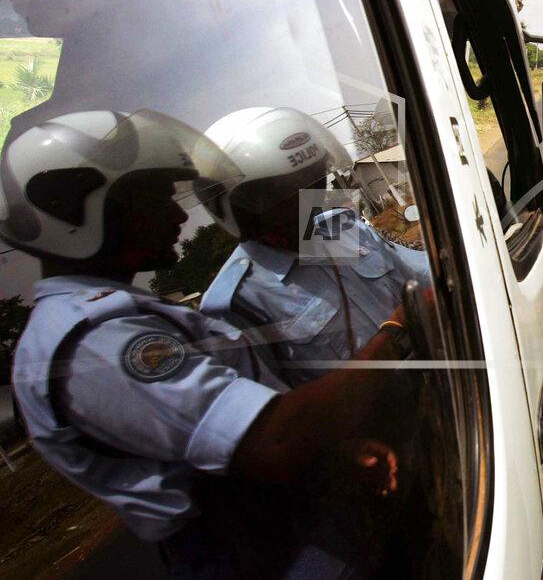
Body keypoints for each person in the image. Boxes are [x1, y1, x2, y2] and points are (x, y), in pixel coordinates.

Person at [5, 109, 413, 578]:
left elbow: (236, 426)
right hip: (252, 548)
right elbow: (276, 440)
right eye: (156, 199)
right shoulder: (98, 342)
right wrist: (397, 329)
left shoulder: (328, 229)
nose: (180, 213)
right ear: (81, 212)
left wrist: (332, 454)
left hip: (305, 506)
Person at [199, 106, 431, 386]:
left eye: (309, 183)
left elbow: (422, 274)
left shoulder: (341, 228)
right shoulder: (238, 303)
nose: (304, 202)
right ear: (238, 209)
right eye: (280, 196)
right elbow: (288, 412)